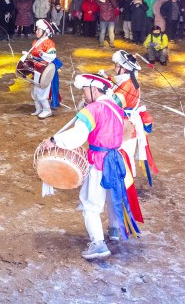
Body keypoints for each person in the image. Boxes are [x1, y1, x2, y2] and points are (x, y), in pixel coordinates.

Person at [43, 74, 142, 259]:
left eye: (84, 91)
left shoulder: (93, 110)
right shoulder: (116, 108)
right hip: (115, 158)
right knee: (113, 197)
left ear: (94, 89)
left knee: (90, 203)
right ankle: (114, 229)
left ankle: (98, 244)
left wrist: (54, 140)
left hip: (99, 161)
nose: (82, 95)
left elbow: (77, 136)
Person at [110, 50, 158, 184]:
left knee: (124, 153)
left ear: (123, 68)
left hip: (127, 125)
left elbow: (114, 103)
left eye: (116, 65)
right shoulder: (126, 81)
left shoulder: (128, 85)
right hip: (125, 122)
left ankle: (126, 183)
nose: (114, 68)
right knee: (122, 152)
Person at [25, 19, 58, 119]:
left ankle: (47, 110)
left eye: (38, 30)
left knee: (42, 91)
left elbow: (52, 56)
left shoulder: (49, 43)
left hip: (44, 70)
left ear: (45, 31)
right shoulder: (36, 41)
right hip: (36, 68)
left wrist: (42, 54)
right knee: (35, 91)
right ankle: (38, 108)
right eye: (37, 29)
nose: (36, 31)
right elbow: (34, 54)